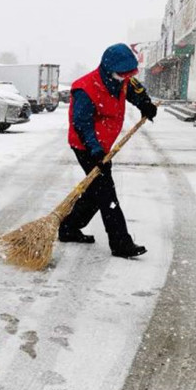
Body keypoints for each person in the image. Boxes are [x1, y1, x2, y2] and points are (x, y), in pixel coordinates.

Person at [59, 43, 158, 258]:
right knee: (106, 193)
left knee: (96, 191)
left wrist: (146, 104)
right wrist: (95, 151)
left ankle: (68, 228)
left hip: (104, 146)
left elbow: (135, 91)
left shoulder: (120, 80)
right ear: (108, 69)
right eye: (122, 74)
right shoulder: (85, 88)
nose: (125, 78)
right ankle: (121, 242)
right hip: (86, 146)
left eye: (128, 74)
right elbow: (82, 124)